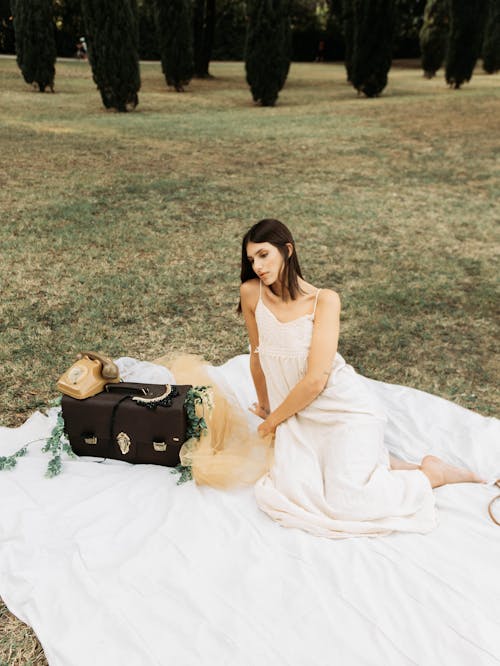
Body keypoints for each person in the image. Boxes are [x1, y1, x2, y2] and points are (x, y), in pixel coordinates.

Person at [238, 218, 484, 538]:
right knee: (295, 487)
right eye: (251, 259)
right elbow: (257, 356)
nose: (257, 266)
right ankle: (380, 462)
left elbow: (315, 381)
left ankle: (432, 475)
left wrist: (271, 424)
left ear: (287, 250)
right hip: (296, 413)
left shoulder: (323, 300)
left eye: (264, 255)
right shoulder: (251, 293)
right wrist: (268, 409)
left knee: (345, 502)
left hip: (343, 408)